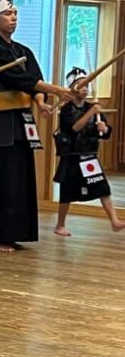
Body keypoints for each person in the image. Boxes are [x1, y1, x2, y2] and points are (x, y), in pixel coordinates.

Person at [0, 0, 74, 252]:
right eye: (8, 14)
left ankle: (15, 231)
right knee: (0, 176)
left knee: (19, 176)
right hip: (0, 120)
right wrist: (56, 90)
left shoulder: (22, 51)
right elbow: (22, 80)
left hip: (22, 118)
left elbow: (34, 78)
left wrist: (41, 101)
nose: (13, 18)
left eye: (15, 14)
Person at [53, 67, 123, 236]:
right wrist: (91, 112)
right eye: (80, 85)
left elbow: (105, 134)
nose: (84, 88)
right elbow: (75, 127)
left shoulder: (94, 108)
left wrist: (103, 127)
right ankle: (60, 225)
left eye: (86, 85)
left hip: (90, 155)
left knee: (102, 187)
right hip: (72, 155)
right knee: (67, 191)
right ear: (73, 88)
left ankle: (114, 220)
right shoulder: (67, 109)